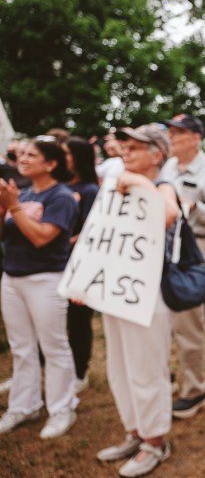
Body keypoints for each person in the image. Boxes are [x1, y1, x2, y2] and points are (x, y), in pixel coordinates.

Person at [93, 124, 179, 477]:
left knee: (146, 369)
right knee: (120, 368)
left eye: (135, 147)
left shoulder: (162, 186)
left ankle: (156, 442)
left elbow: (168, 214)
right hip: (114, 292)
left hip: (148, 294)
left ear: (157, 154)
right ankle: (135, 431)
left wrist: (142, 184)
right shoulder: (115, 189)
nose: (125, 151)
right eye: (124, 146)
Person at [0, 136, 79, 439]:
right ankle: (24, 405)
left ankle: (62, 408)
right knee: (21, 347)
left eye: (31, 154)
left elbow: (42, 238)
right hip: (12, 277)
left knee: (54, 346)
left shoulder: (62, 197)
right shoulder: (22, 192)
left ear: (51, 163)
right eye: (22, 153)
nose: (23, 157)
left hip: (46, 279)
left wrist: (14, 207)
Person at [159, 113, 205, 419]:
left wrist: (194, 208)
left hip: (193, 247)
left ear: (195, 137)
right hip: (163, 246)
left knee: (189, 320)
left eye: (178, 132)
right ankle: (169, 378)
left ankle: (195, 389)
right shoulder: (168, 166)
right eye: (171, 132)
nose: (172, 137)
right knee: (164, 319)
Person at [62, 136, 100, 393]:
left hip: (79, 261)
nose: (62, 157)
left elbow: (92, 227)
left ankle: (80, 370)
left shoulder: (90, 191)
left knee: (78, 318)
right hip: (54, 262)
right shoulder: (60, 186)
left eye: (66, 153)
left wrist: (57, 239)